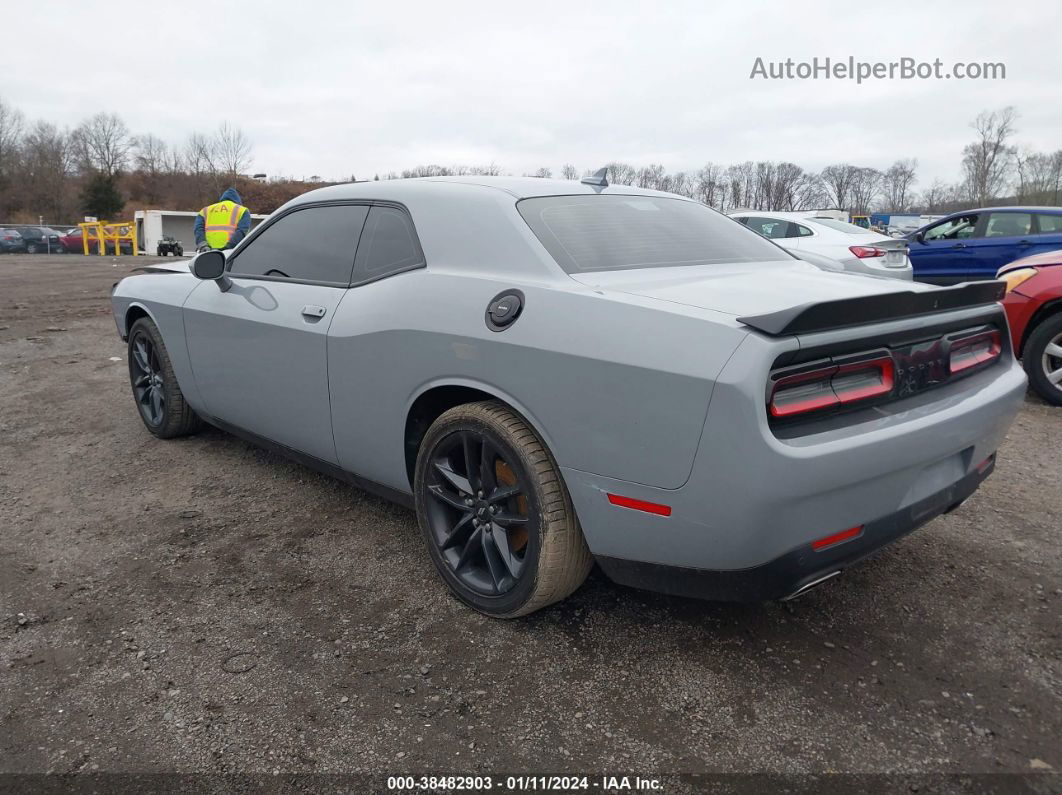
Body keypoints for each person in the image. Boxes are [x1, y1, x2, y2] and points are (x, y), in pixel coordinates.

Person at [194, 187, 251, 252]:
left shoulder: (205, 210)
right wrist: (227, 249)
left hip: (207, 252)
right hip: (229, 253)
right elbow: (241, 232)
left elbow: (198, 229)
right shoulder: (242, 210)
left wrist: (203, 246)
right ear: (238, 200)